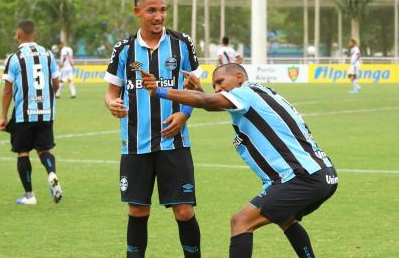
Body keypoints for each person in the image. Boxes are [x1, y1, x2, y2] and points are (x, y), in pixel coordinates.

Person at [141, 63, 338, 258]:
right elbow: (212, 102)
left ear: (239, 77)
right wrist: (200, 92)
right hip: (321, 174)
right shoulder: (256, 93)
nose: (217, 88)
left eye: (220, 82)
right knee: (285, 218)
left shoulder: (245, 92)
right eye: (214, 87)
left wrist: (157, 90)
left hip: (301, 178)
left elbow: (208, 102)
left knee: (241, 221)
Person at [104, 0, 203, 257]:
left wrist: (184, 114)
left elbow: (196, 88)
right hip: (136, 143)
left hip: (175, 141)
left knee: (184, 211)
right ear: (137, 12)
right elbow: (112, 92)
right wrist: (112, 104)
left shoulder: (181, 43)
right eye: (152, 10)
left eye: (163, 10)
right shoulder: (124, 49)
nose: (159, 16)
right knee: (137, 210)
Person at [0, 20, 63, 205]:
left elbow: (7, 91)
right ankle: (51, 173)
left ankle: (29, 196)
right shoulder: (48, 54)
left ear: (18, 35)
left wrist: (3, 116)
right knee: (44, 149)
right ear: (34, 34)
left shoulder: (14, 57)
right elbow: (56, 83)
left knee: (23, 152)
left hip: (24, 114)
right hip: (46, 112)